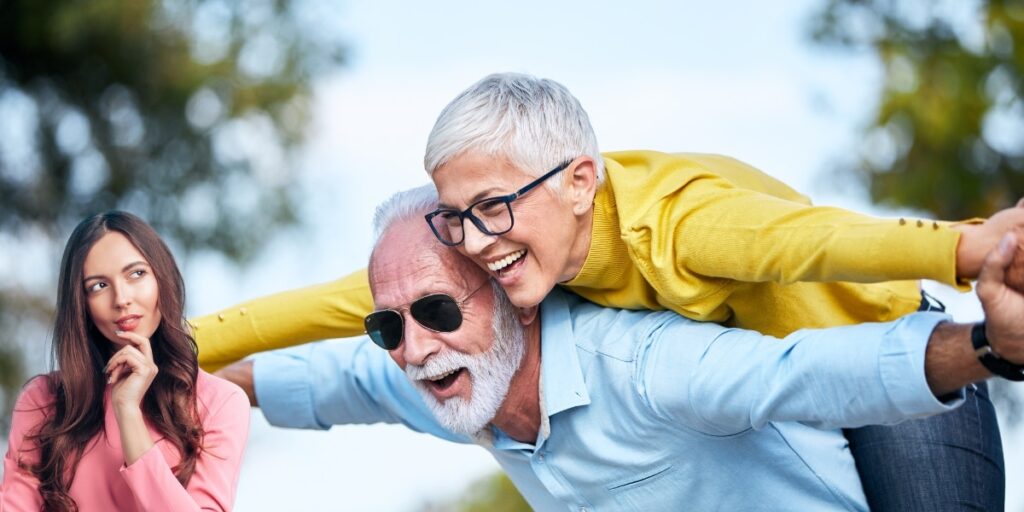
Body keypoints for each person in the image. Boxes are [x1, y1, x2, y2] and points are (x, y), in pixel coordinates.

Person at [190, 74, 1024, 509]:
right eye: (456, 217)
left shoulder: (677, 229)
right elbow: (319, 333)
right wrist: (173, 352)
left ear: (581, 180)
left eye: (493, 209)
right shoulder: (467, 290)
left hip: (882, 359)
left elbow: (818, 246)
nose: (477, 240)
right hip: (773, 391)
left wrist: (970, 247)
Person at [1, 211, 250, 512]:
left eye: (136, 274)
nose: (121, 298)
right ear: (81, 304)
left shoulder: (220, 402)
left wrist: (127, 411)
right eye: (98, 286)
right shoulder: (43, 399)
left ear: (163, 277)